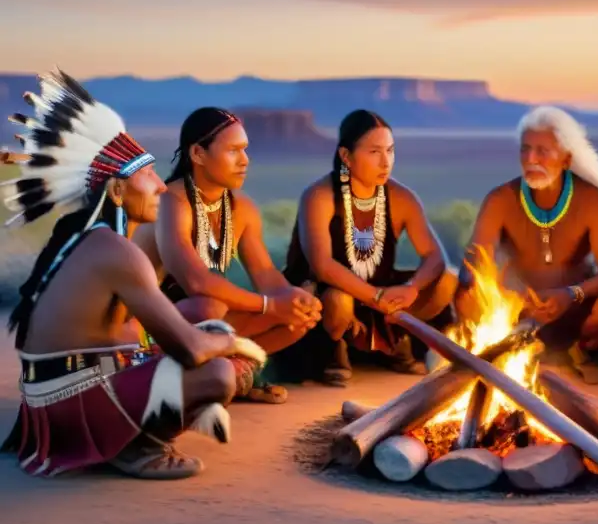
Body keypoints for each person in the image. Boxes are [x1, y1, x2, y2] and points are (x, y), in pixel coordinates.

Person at [1, 70, 266, 480]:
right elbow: (191, 350)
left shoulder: (96, 241)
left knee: (207, 332)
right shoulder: (116, 251)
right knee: (218, 372)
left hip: (55, 395)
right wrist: (233, 344)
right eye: (147, 176)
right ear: (118, 192)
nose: (161, 187)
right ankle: (135, 447)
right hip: (73, 402)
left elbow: (135, 334)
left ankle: (132, 428)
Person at [455, 106, 598, 385]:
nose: (531, 159)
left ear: (566, 159)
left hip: (574, 310)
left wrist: (570, 294)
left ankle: (582, 352)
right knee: (465, 296)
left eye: (542, 151)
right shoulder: (500, 199)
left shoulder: (590, 199)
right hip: (518, 313)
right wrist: (513, 296)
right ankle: (506, 352)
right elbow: (471, 267)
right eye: (525, 150)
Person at [132, 108, 321, 404]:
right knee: (208, 309)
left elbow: (266, 275)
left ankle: (234, 375)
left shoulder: (242, 209)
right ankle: (206, 380)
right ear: (198, 153)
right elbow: (196, 282)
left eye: (245, 150)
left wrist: (294, 300)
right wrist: (271, 305)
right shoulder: (171, 202)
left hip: (195, 325)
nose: (245, 160)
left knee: (298, 319)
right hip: (144, 328)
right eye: (233, 150)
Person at [278, 109, 456, 384]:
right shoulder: (319, 196)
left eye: (390, 150)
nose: (386, 162)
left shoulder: (401, 198)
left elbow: (434, 256)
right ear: (346, 156)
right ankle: (334, 351)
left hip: (381, 298)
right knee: (339, 300)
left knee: (447, 281)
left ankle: (393, 343)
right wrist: (376, 297)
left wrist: (411, 289)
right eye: (374, 152)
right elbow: (321, 266)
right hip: (327, 301)